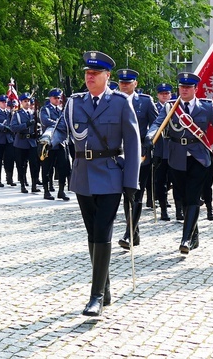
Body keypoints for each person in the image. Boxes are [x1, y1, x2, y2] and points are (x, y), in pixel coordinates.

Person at [39, 51, 140, 317]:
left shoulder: (119, 102)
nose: (89, 77)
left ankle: (95, 296)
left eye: (95, 73)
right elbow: (61, 128)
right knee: (91, 233)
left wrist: (131, 181)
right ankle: (104, 287)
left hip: (109, 174)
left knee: (102, 232)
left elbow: (132, 142)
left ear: (108, 76)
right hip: (83, 174)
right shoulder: (74, 102)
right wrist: (49, 138)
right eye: (87, 73)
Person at [146, 72, 213, 255]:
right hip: (177, 158)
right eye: (181, 87)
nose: (184, 90)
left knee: (192, 197)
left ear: (195, 89)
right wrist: (149, 137)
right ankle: (194, 236)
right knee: (183, 197)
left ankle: (185, 239)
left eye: (188, 87)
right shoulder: (171, 107)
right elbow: (157, 124)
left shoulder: (206, 107)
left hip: (199, 158)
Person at [115, 68, 158, 249]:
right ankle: (134, 231)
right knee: (126, 194)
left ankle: (128, 234)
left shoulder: (145, 102)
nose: (124, 85)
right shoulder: (112, 101)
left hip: (140, 153)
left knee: (137, 193)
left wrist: (150, 137)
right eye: (122, 82)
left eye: (128, 82)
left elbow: (157, 122)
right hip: (119, 154)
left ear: (135, 84)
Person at [147, 83, 173, 221]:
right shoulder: (154, 108)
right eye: (162, 93)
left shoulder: (176, 108)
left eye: (167, 93)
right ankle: (163, 209)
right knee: (161, 180)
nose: (164, 95)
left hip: (174, 150)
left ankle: (180, 208)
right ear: (158, 95)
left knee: (175, 180)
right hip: (159, 150)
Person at [39, 88, 70, 201]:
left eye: (59, 98)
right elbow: (45, 121)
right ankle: (46, 191)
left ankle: (61, 190)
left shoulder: (63, 110)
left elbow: (67, 123)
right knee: (47, 168)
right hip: (50, 143)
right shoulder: (45, 110)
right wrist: (58, 124)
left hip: (61, 143)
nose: (58, 100)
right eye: (56, 98)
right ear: (51, 98)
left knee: (63, 167)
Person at [10, 93, 40, 194]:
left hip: (32, 142)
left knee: (34, 165)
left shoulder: (34, 113)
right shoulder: (17, 114)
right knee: (21, 165)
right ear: (21, 103)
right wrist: (25, 125)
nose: (27, 103)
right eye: (25, 101)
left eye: (28, 101)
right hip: (21, 142)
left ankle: (34, 185)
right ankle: (23, 184)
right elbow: (13, 127)